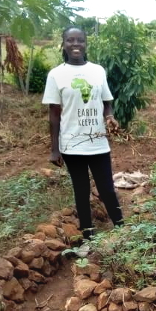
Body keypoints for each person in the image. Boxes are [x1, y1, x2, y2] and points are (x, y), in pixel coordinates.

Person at [43, 27, 124, 232]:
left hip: (97, 141)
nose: (75, 44)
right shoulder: (56, 75)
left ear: (85, 43)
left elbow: (107, 102)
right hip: (72, 143)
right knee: (81, 189)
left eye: (80, 40)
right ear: (64, 44)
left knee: (107, 189)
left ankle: (122, 230)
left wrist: (110, 117)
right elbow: (54, 113)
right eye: (70, 40)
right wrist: (55, 149)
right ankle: (88, 234)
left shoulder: (97, 71)